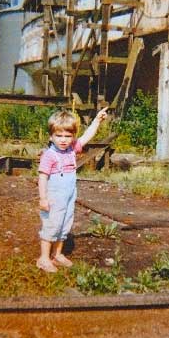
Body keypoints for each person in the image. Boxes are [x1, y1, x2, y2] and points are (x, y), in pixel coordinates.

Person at [37, 107, 108, 272]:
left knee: (64, 225)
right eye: (59, 136)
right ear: (51, 136)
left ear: (73, 136)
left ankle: (57, 254)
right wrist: (43, 199)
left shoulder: (72, 149)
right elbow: (42, 177)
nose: (63, 140)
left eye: (68, 136)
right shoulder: (49, 155)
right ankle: (43, 258)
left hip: (69, 195)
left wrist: (97, 120)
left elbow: (87, 136)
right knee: (51, 225)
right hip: (53, 196)